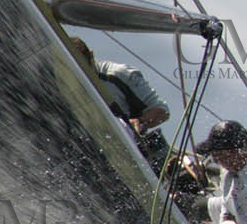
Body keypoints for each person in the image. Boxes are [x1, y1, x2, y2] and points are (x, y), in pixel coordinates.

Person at [70, 37, 171, 168]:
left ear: (91, 55)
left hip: (137, 156)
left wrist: (140, 122)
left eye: (85, 69)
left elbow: (162, 112)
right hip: (96, 161)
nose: (84, 77)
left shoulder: (118, 75)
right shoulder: (59, 86)